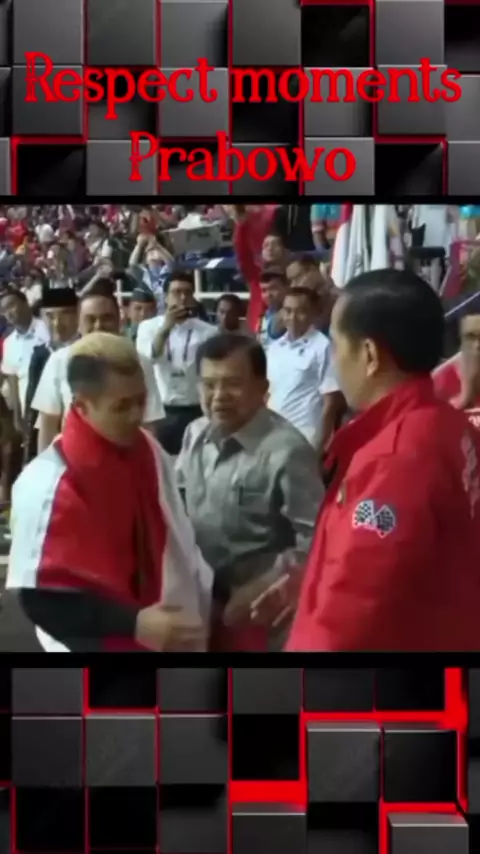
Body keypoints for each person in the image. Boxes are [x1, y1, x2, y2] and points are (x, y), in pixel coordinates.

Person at [253, 269, 480, 651]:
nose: (335, 360)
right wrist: (314, 580)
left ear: (370, 355)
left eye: (337, 345)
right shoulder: (446, 424)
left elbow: (351, 616)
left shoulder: (395, 458)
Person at [6, 333, 212, 652]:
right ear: (81, 406)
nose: (136, 416)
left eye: (141, 401)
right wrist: (134, 623)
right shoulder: (46, 483)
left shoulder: (148, 449)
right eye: (121, 406)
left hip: (164, 628)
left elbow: (178, 538)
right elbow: (39, 599)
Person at [176, 333, 324, 651]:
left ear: (262, 388)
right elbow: (178, 503)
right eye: (209, 384)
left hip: (260, 610)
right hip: (202, 597)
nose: (219, 396)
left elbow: (318, 539)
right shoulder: (194, 434)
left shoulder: (288, 452)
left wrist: (265, 584)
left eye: (233, 384)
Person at [31, 279, 164, 453]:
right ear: (79, 323)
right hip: (74, 460)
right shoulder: (59, 361)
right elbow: (48, 424)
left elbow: (149, 424)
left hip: (125, 458)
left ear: (119, 321)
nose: (99, 325)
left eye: (107, 318)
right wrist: (46, 465)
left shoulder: (140, 362)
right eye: (90, 319)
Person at [136, 270, 216, 456]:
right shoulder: (148, 327)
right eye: (176, 292)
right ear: (165, 297)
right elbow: (149, 359)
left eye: (187, 293)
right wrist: (166, 327)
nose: (182, 297)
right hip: (162, 411)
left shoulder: (208, 331)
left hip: (195, 408)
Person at [267, 288, 343, 453]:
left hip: (305, 439)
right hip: (272, 437)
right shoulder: (274, 348)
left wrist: (319, 446)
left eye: (300, 312)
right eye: (288, 311)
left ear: (313, 314)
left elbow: (331, 403)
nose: (293, 317)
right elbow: (267, 393)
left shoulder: (323, 347)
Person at [24, 287, 79, 464]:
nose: (57, 323)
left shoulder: (86, 352)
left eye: (65, 314)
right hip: (42, 441)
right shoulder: (39, 353)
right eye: (49, 316)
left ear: (78, 315)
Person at [0, 288, 50, 434]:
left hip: (50, 407)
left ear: (25, 303)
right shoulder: (9, 343)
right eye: (4, 310)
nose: (8, 313)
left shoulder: (47, 329)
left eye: (11, 305)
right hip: (28, 412)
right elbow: (13, 379)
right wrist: (17, 415)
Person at [433, 305, 480, 430]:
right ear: (461, 340)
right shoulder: (442, 381)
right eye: (471, 337)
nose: (477, 345)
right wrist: (464, 397)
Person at [257, 270, 288, 349]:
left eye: (273, 288)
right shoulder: (263, 316)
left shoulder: (293, 314)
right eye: (264, 290)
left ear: (287, 288)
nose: (268, 295)